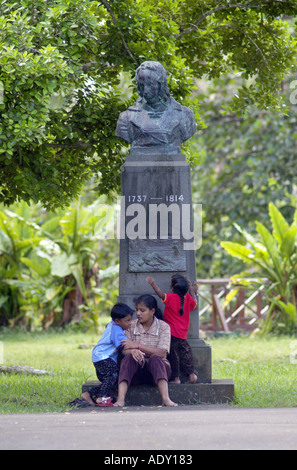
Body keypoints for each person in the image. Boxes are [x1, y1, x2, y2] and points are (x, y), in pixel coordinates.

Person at [115, 61, 196, 155]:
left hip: (172, 163)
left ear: (161, 85)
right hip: (137, 164)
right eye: (142, 85)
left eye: (150, 85)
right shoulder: (126, 118)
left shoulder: (185, 115)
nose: (145, 91)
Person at [113, 295, 178, 407]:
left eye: (142, 310)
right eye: (137, 310)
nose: (138, 313)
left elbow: (162, 352)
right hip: (137, 371)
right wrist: (132, 351)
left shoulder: (163, 327)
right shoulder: (130, 325)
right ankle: (120, 399)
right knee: (128, 358)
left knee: (155, 358)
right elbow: (124, 349)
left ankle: (166, 399)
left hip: (158, 371)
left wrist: (137, 346)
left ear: (152, 311)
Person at [146, 275, 198, 384]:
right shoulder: (187, 298)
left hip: (171, 334)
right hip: (183, 333)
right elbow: (194, 305)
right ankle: (192, 374)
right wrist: (192, 292)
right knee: (185, 354)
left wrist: (153, 284)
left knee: (173, 356)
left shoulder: (170, 297)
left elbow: (160, 294)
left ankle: (176, 378)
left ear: (172, 288)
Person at [81, 303, 134, 407]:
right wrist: (134, 349)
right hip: (103, 356)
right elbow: (122, 345)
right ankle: (101, 397)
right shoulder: (117, 329)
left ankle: (89, 394)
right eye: (127, 321)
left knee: (111, 380)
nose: (130, 323)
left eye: (130, 320)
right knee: (113, 375)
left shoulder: (112, 324)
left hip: (99, 356)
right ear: (118, 321)